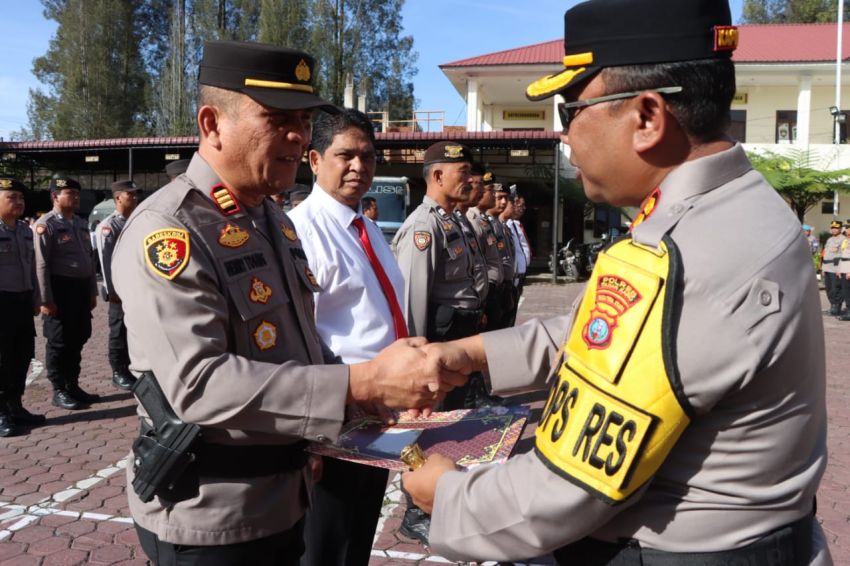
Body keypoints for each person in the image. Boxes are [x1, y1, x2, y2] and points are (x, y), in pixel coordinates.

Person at [402, 1, 829, 564]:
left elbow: (568, 489)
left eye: (570, 110)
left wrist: (446, 493)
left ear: (648, 116)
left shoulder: (688, 254)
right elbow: (606, 334)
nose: (565, 137)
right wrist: (466, 353)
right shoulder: (735, 206)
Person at [111, 40, 462, 565]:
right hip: (214, 518)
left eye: (301, 118)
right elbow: (197, 385)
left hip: (283, 496)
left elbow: (298, 342)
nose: (298, 135)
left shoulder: (269, 219)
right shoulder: (170, 229)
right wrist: (361, 383)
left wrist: (374, 396)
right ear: (212, 125)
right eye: (277, 118)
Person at [288, 108, 403, 566]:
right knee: (324, 546)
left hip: (376, 416)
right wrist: (309, 437)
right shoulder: (300, 231)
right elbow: (299, 339)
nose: (359, 166)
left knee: (358, 538)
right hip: (336, 417)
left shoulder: (369, 229)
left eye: (369, 156)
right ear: (314, 160)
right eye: (346, 155)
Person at [392, 140, 483, 544]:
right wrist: (417, 361)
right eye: (462, 172)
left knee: (449, 427)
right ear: (438, 175)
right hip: (436, 342)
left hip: (456, 337)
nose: (468, 180)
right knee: (427, 426)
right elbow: (414, 299)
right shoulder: (423, 227)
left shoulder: (449, 220)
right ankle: (415, 510)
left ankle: (441, 499)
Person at [33, 176, 99, 411]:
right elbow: (41, 265)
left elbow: (90, 262)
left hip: (80, 291)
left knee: (79, 337)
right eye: (70, 193)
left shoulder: (80, 223)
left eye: (76, 193)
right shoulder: (46, 224)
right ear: (55, 196)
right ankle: (59, 389)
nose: (75, 197)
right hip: (59, 291)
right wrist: (45, 299)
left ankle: (73, 385)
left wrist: (92, 292)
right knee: (59, 343)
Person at [0, 177, 45, 437]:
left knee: (22, 355)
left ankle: (15, 406)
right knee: (2, 360)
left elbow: (31, 268)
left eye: (21, 198)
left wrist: (36, 298)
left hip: (21, 300)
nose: (18, 202)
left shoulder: (25, 231)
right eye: (11, 198)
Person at [95, 180, 139, 391]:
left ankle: (131, 368)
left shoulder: (135, 221)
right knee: (118, 331)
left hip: (135, 288)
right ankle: (118, 371)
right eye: (130, 194)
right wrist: (112, 290)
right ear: (118, 197)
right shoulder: (108, 226)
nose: (134, 197)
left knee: (134, 329)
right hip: (119, 291)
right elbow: (105, 261)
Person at [467, 171, 505, 332]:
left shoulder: (483, 220)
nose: (487, 193)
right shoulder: (472, 219)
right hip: (481, 296)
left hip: (491, 292)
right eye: (490, 190)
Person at [488, 183, 515, 329]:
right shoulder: (486, 223)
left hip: (505, 286)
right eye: (499, 198)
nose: (504, 202)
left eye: (506, 198)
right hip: (494, 289)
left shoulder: (499, 223)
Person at [822, 219, 844, 316]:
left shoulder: (843, 239)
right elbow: (825, 254)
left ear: (840, 229)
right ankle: (832, 306)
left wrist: (841, 269)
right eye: (832, 228)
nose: (834, 230)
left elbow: (844, 255)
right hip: (827, 267)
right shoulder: (830, 239)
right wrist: (823, 268)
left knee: (836, 288)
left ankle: (837, 308)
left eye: (836, 228)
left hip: (836, 268)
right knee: (828, 288)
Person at [838, 221, 850, 320]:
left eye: (847, 227)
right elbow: (843, 256)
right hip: (844, 268)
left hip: (848, 270)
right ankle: (848, 311)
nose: (845, 229)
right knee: (845, 291)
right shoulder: (846, 240)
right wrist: (839, 269)